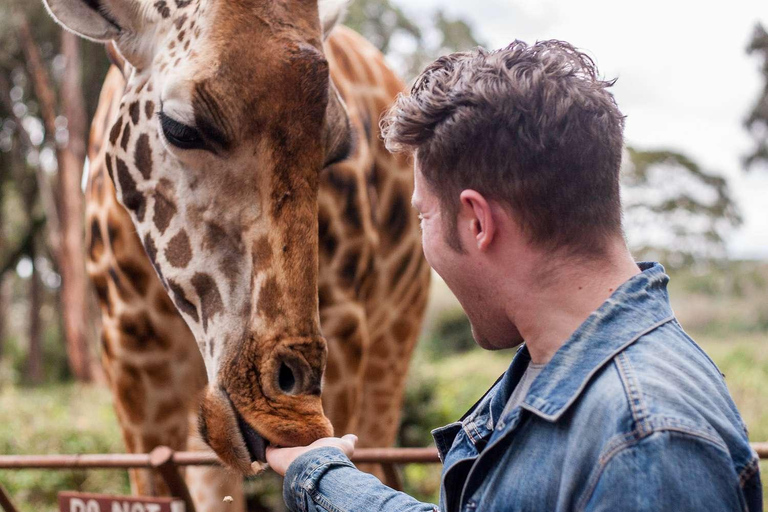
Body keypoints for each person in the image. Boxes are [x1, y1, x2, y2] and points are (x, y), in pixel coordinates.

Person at [266, 40, 763, 511]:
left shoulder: (647, 442)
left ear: (477, 222)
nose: (424, 240)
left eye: (424, 217)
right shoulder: (564, 367)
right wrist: (320, 475)